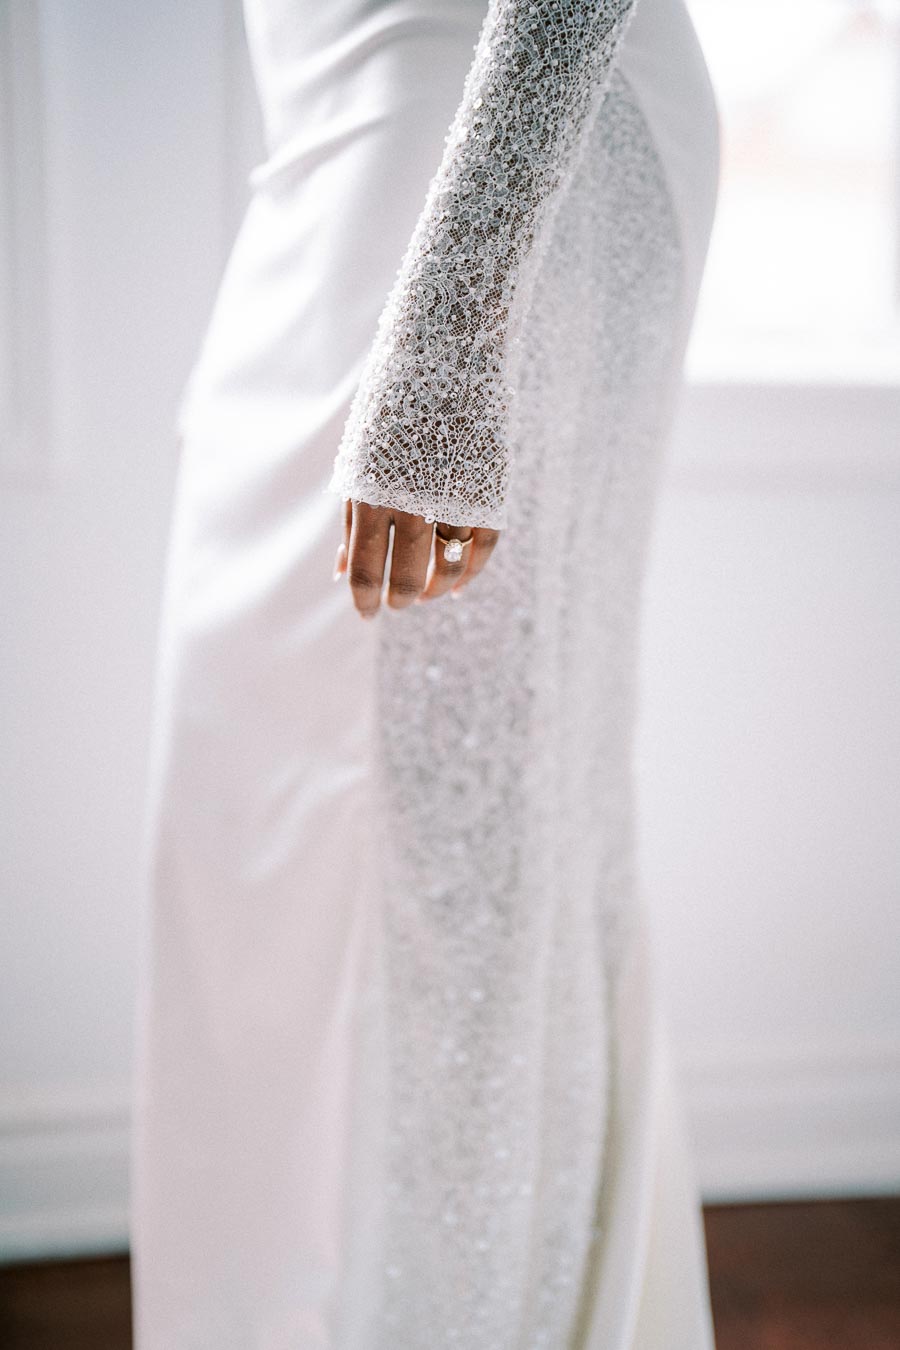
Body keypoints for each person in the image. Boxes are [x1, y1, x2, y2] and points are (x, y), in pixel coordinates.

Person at [130, 0, 721, 1345]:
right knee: (277, 855)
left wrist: (456, 318)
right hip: (350, 158)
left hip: (484, 164)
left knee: (454, 891)